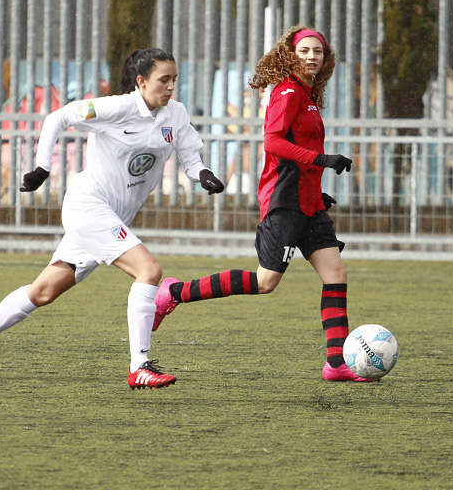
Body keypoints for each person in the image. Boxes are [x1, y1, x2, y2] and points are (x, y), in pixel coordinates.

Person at [0, 48, 226, 389]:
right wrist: (42, 169)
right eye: (163, 80)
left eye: (174, 80)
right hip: (88, 206)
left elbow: (191, 158)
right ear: (141, 82)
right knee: (149, 270)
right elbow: (58, 117)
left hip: (114, 216)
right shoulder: (116, 107)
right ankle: (139, 366)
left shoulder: (176, 114)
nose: (171, 87)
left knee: (43, 292)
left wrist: (204, 175)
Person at [152, 25, 370, 382]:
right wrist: (323, 161)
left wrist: (316, 190)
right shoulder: (288, 91)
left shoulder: (308, 93)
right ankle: (174, 292)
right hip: (285, 200)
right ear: (290, 55)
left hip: (308, 202)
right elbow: (273, 143)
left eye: (318, 51)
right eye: (304, 51)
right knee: (265, 281)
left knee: (335, 274)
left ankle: (336, 363)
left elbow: (301, 149)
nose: (312, 56)